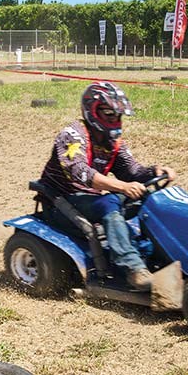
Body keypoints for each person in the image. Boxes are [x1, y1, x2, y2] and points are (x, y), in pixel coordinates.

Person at [40, 81, 176, 290]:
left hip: (92, 199)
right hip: (61, 201)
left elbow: (132, 171)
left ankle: (164, 254)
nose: (115, 121)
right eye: (109, 115)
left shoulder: (113, 143)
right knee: (110, 201)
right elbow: (80, 172)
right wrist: (122, 187)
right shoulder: (73, 135)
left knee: (149, 198)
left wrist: (155, 171)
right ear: (93, 112)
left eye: (118, 116)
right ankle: (133, 268)